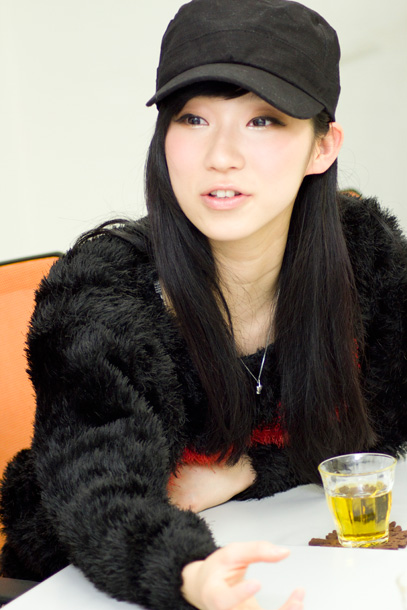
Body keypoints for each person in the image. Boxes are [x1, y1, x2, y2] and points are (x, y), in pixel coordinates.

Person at [1, 0, 407, 608]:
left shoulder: (364, 256)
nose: (221, 155)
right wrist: (189, 575)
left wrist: (248, 470)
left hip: (292, 557)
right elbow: (99, 494)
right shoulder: (102, 292)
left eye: (262, 121)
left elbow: (380, 425)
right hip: (85, 585)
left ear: (322, 148)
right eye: (193, 119)